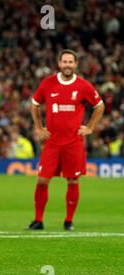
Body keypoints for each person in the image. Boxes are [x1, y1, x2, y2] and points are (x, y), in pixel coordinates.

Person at [28, 49, 104, 231]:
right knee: (42, 180)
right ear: (59, 63)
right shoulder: (48, 83)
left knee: (72, 181)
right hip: (52, 143)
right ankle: (38, 220)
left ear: (75, 64)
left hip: (73, 143)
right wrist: (38, 127)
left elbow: (99, 106)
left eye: (71, 62)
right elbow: (34, 104)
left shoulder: (83, 85)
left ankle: (68, 221)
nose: (67, 65)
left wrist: (90, 128)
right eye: (65, 62)